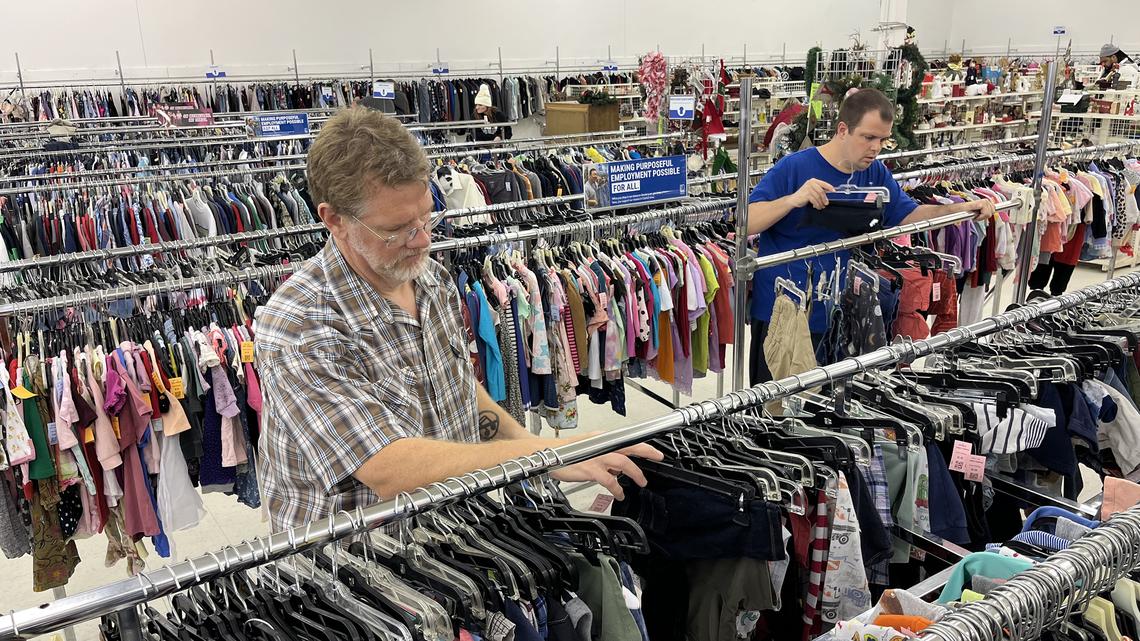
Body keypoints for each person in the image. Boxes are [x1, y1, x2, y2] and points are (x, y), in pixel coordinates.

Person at [255, 108, 661, 532]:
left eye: (427, 217)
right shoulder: (300, 325)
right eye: (397, 228)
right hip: (352, 571)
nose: (423, 239)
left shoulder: (431, 279)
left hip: (450, 540)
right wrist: (546, 455)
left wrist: (541, 449)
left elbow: (462, 395)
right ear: (335, 220)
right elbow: (389, 468)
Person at [745, 88, 996, 386]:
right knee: (774, 414)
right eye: (868, 137)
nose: (876, 148)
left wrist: (961, 208)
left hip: (840, 314)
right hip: (784, 314)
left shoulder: (875, 172)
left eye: (883, 140)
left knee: (823, 414)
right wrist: (794, 199)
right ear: (842, 130)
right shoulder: (795, 167)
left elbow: (907, 214)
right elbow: (745, 223)